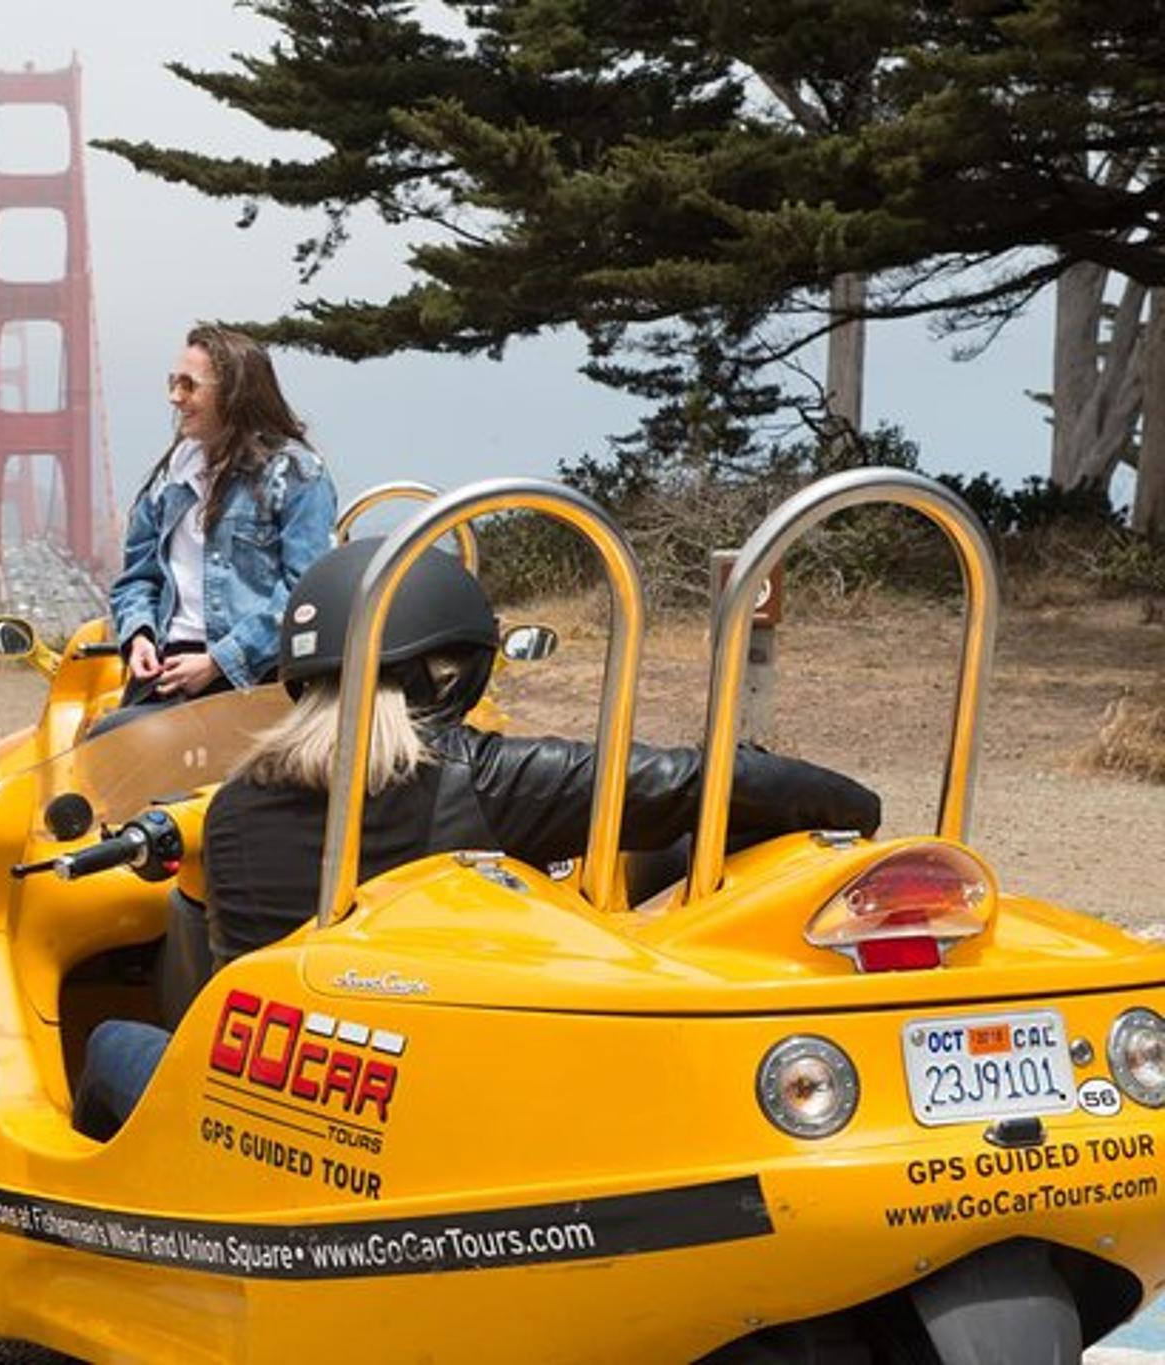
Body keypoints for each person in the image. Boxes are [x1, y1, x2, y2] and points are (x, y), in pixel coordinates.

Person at [72, 538, 882, 1139]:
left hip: (260, 1095)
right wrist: (857, 805)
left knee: (112, 1037)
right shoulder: (482, 775)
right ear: (445, 672)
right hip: (424, 1094)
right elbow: (693, 781)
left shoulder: (235, 803)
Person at [106, 324, 337, 706]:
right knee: (106, 752)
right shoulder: (170, 477)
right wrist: (140, 637)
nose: (174, 397)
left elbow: (305, 592)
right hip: (168, 671)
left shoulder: (297, 475)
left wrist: (219, 661)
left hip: (256, 676)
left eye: (188, 385)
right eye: (172, 382)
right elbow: (138, 578)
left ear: (234, 393)